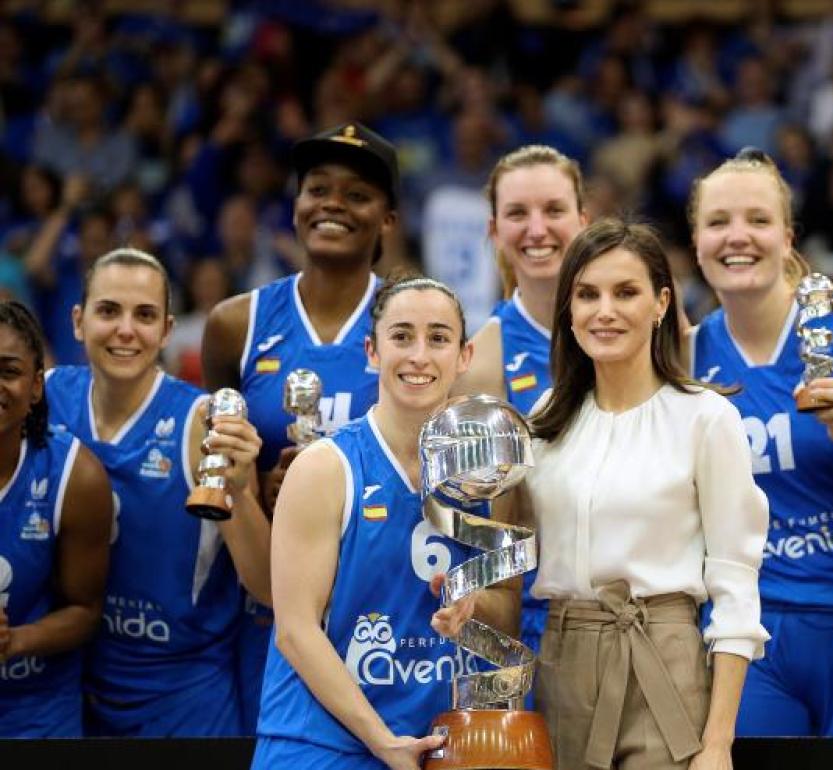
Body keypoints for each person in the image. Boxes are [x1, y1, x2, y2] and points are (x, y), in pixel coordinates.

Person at [687, 149, 833, 737]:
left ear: (788, 236)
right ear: (696, 241)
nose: (737, 236)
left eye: (758, 220)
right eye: (718, 222)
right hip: (745, 631)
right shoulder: (682, 356)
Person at [519, 219, 768, 769]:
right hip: (561, 659)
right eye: (587, 294)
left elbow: (736, 585)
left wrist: (718, 743)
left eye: (625, 292)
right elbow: (513, 550)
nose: (604, 311)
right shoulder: (543, 418)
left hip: (664, 658)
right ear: (568, 310)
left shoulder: (706, 418)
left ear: (661, 304)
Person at [253, 276, 519, 770]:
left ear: (464, 356)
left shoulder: (489, 474)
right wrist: (382, 741)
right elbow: (295, 631)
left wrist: (473, 603)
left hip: (434, 742)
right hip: (322, 745)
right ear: (373, 352)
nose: (419, 355)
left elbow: (509, 610)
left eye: (438, 338)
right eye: (402, 336)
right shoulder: (325, 468)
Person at [201, 122, 398, 731]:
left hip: (376, 607)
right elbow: (219, 462)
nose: (333, 204)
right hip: (264, 604)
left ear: (388, 220)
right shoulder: (236, 324)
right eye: (317, 189)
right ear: (295, 207)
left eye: (357, 195)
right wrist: (258, 491)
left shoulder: (409, 327)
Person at [43, 247, 270, 736]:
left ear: (167, 330)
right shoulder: (46, 397)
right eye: (109, 311)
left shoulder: (204, 423)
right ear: (78, 321)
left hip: (184, 699)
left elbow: (265, 586)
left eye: (144, 315)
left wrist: (239, 491)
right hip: (74, 686)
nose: (126, 330)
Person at [453, 144, 589, 662]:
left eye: (553, 210)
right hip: (540, 617)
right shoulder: (482, 359)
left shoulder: (633, 327)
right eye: (517, 213)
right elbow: (489, 525)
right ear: (494, 231)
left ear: (583, 220)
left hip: (642, 604)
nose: (537, 229)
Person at [0, 300, 111, 737]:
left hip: (38, 712)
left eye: (9, 371)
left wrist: (14, 641)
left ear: (35, 387)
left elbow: (85, 611)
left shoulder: (75, 475)